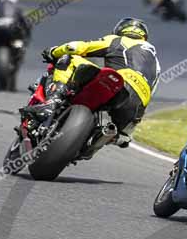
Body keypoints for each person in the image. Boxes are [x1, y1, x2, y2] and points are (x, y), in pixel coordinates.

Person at [37, 17, 161, 147]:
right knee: (120, 136)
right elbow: (150, 93)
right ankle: (93, 141)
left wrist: (53, 52)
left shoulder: (118, 40)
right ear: (144, 36)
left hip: (119, 82)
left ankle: (53, 100)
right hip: (135, 105)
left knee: (69, 58)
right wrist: (128, 130)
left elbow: (75, 47)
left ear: (119, 30)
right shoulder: (156, 63)